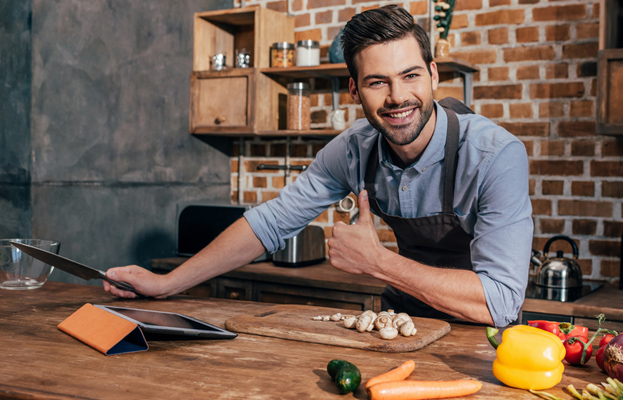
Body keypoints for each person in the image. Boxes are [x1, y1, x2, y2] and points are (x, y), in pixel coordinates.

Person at [104, 4, 533, 327]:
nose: (398, 97)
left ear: (434, 75)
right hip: (402, 323)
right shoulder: (353, 149)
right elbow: (269, 223)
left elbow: (500, 301)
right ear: (354, 90)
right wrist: (167, 283)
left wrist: (378, 262)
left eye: (410, 76)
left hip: (482, 335)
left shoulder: (495, 156)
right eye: (377, 82)